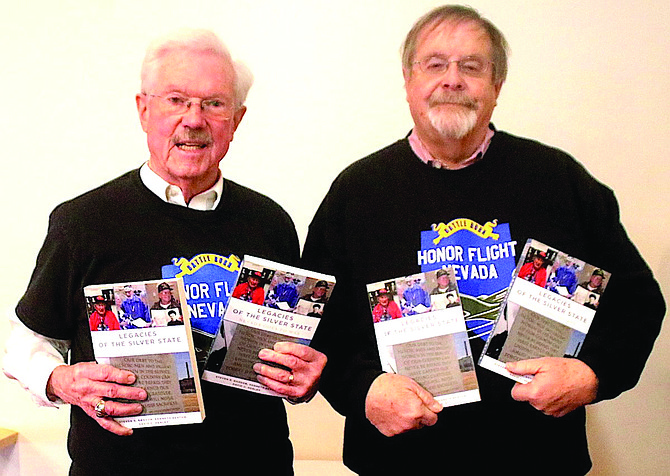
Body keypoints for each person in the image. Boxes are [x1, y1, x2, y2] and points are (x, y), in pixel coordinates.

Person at [302, 5, 665, 475]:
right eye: (435, 64)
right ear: (408, 82)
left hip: (537, 459)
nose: (452, 80)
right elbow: (317, 326)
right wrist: (364, 390)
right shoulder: (357, 192)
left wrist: (592, 375)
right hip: (398, 461)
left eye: (471, 67)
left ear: (497, 87)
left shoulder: (559, 182)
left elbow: (636, 304)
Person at [3, 29, 326, 475]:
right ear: (143, 110)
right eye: (176, 100)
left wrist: (305, 377)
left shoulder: (271, 223)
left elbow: (296, 355)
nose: (194, 120)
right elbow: (25, 346)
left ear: (236, 119)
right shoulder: (83, 222)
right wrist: (61, 381)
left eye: (213, 104)